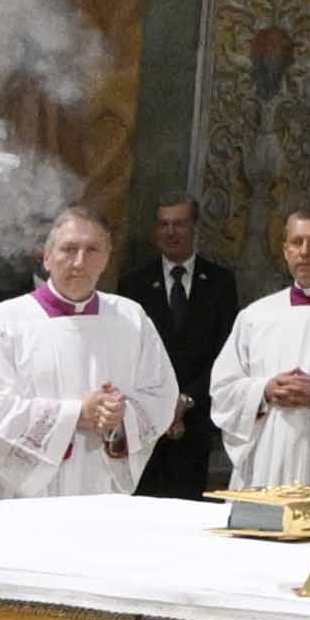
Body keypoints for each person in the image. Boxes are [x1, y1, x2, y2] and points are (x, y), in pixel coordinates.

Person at [0, 203, 177, 502]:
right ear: (46, 257)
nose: (79, 261)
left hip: (98, 489)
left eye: (92, 250)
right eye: (68, 249)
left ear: (107, 259)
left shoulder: (130, 319)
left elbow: (161, 395)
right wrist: (76, 415)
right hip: (22, 499)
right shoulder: (1, 322)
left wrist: (122, 415)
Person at [201, 208, 310, 501]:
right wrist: (264, 390)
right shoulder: (257, 316)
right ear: (285, 249)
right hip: (265, 461)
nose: (304, 251)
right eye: (296, 242)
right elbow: (223, 390)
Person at [120, 191, 248, 497]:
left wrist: (185, 401)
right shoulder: (133, 283)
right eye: (164, 225)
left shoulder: (220, 282)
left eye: (179, 224)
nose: (171, 232)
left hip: (196, 423)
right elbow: (128, 354)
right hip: (146, 424)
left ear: (195, 228)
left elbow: (225, 352)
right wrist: (161, 405)